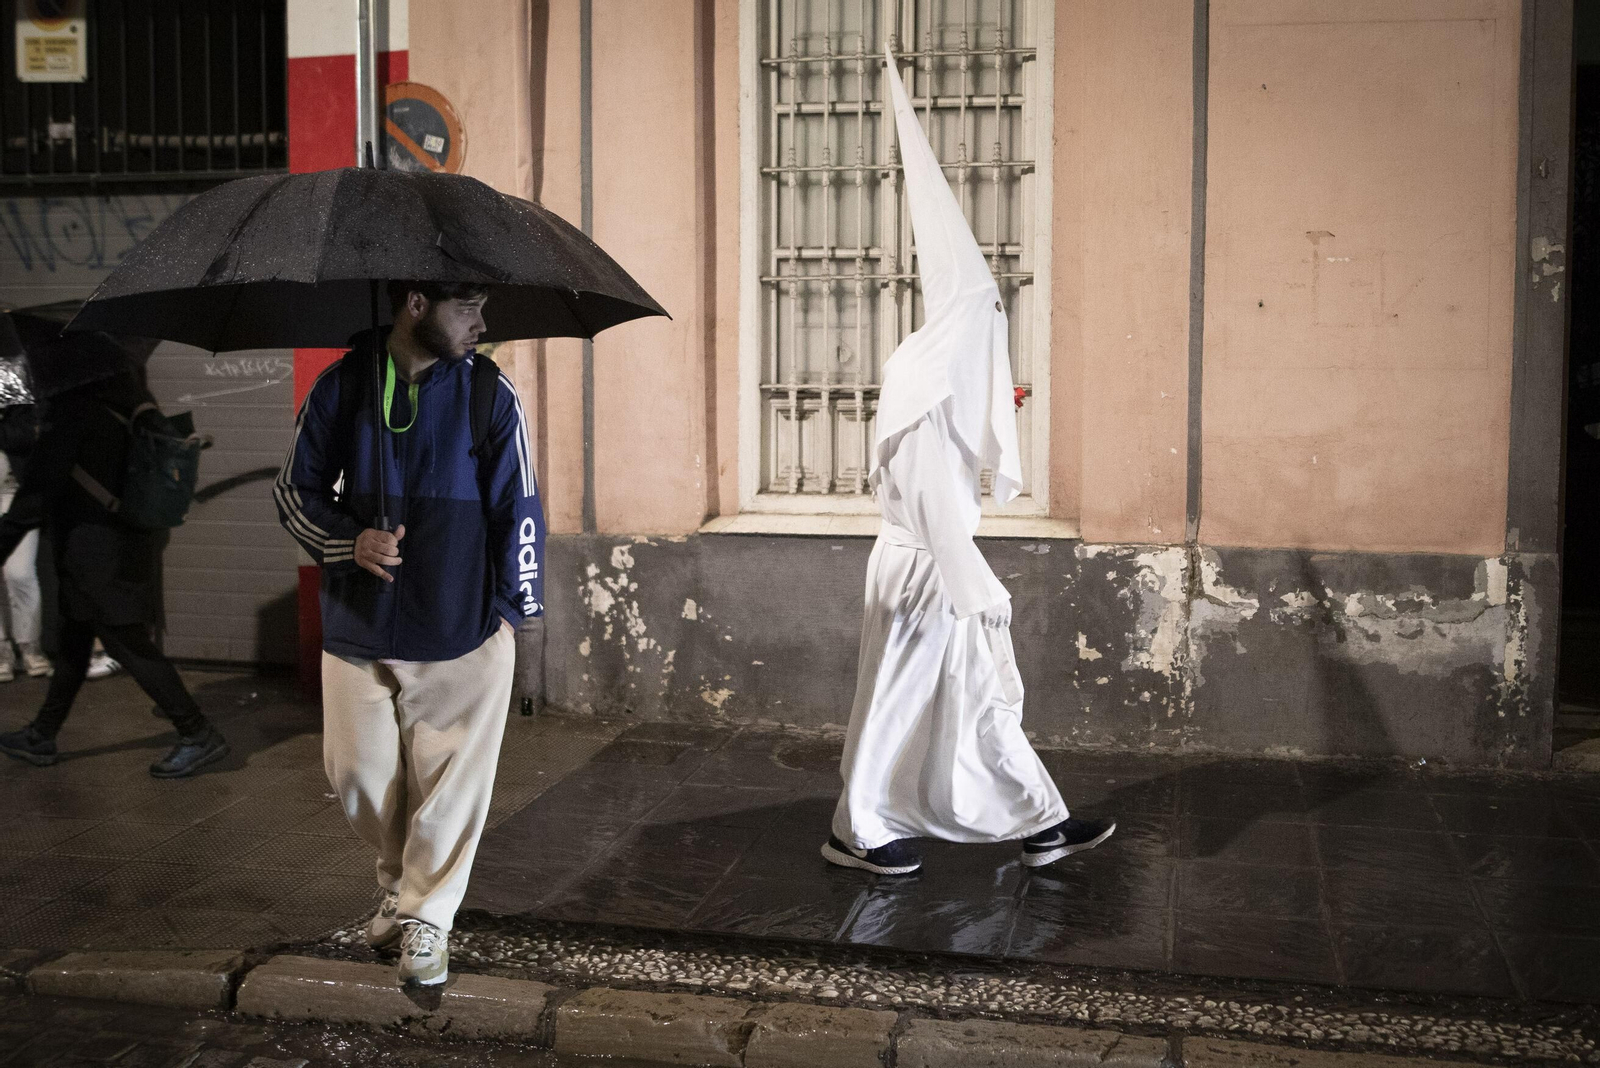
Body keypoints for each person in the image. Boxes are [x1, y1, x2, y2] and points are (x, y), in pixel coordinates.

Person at [823, 51, 1115, 877]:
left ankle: (1041, 823)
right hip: (928, 569)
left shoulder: (935, 375)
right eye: (989, 316)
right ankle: (858, 831)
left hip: (933, 567)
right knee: (904, 702)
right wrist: (975, 584)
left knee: (973, 698)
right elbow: (928, 498)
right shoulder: (926, 387)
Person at [275, 281, 543, 989]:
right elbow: (293, 492)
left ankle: (428, 915)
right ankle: (400, 883)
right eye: (467, 307)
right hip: (358, 623)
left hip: (462, 621)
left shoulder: (488, 392)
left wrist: (514, 609)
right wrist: (348, 541)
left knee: (451, 787)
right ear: (416, 304)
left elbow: (519, 504)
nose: (481, 323)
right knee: (358, 778)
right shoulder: (341, 386)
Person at [0, 367, 229, 776]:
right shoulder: (123, 401)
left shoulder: (72, 414)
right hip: (117, 542)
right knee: (75, 640)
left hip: (96, 553)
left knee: (127, 644)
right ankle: (42, 734)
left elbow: (36, 492)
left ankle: (198, 732)